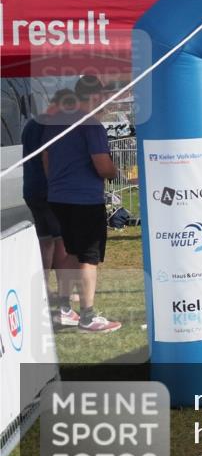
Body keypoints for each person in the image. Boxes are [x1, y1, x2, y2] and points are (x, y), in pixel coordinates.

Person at [41, 76, 121, 333]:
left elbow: (46, 158)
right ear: (96, 96)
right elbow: (102, 165)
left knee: (71, 252)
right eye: (103, 96)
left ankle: (65, 309)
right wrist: (115, 172)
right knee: (88, 256)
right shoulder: (92, 125)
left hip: (58, 197)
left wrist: (57, 182)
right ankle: (87, 316)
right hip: (84, 200)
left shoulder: (56, 122)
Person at [22, 89, 75, 296]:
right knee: (61, 240)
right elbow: (50, 159)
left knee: (45, 241)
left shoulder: (30, 125)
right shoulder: (53, 126)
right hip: (50, 191)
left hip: (31, 189)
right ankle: (63, 290)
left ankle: (43, 289)